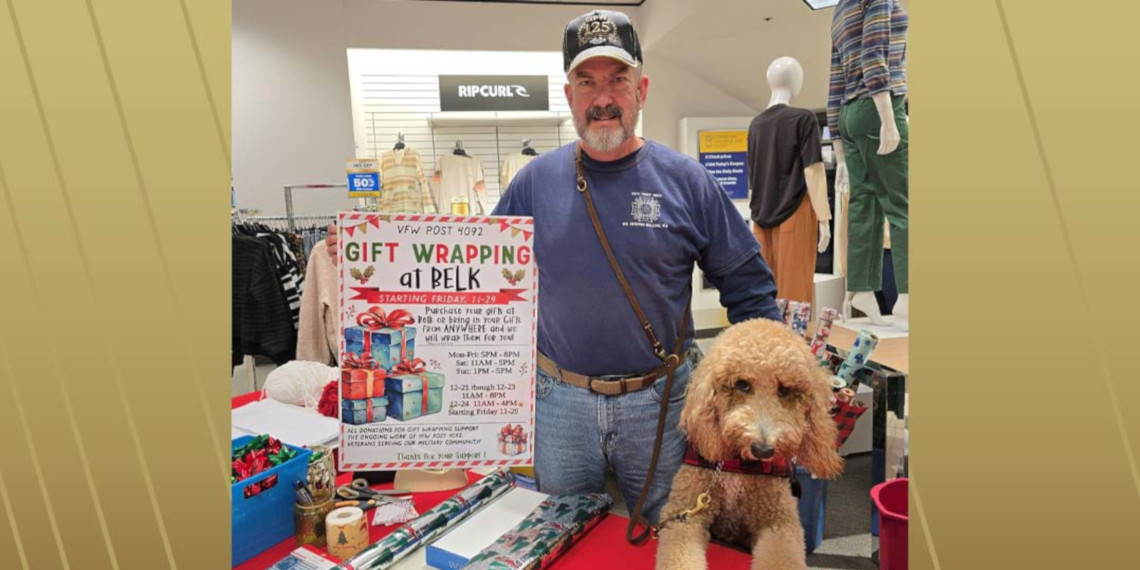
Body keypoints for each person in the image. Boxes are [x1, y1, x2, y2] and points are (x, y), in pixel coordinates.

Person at [328, 10, 781, 527]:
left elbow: (750, 290)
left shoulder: (687, 182)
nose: (602, 97)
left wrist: (762, 394)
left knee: (671, 532)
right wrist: (373, 257)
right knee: (558, 533)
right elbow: (468, 276)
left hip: (659, 402)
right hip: (558, 403)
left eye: (618, 80)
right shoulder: (532, 183)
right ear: (569, 96)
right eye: (587, 82)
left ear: (642, 89)